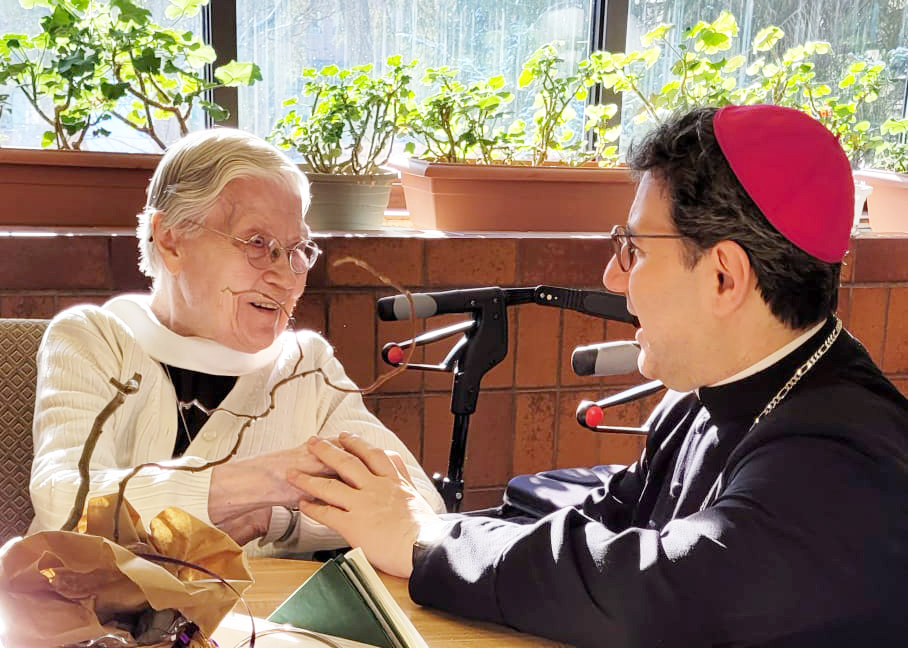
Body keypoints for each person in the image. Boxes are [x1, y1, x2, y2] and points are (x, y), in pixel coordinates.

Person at [286, 105, 908, 646]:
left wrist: (424, 545)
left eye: (632, 250)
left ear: (724, 277)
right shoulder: (707, 394)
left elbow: (656, 589)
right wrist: (433, 530)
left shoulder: (842, 457)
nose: (613, 279)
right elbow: (601, 525)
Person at [29, 128, 444, 555]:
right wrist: (261, 482)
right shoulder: (94, 339)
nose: (285, 279)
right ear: (171, 239)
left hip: (249, 620)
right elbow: (66, 499)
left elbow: (418, 505)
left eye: (297, 248)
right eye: (258, 243)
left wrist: (278, 518)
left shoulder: (305, 365)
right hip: (84, 615)